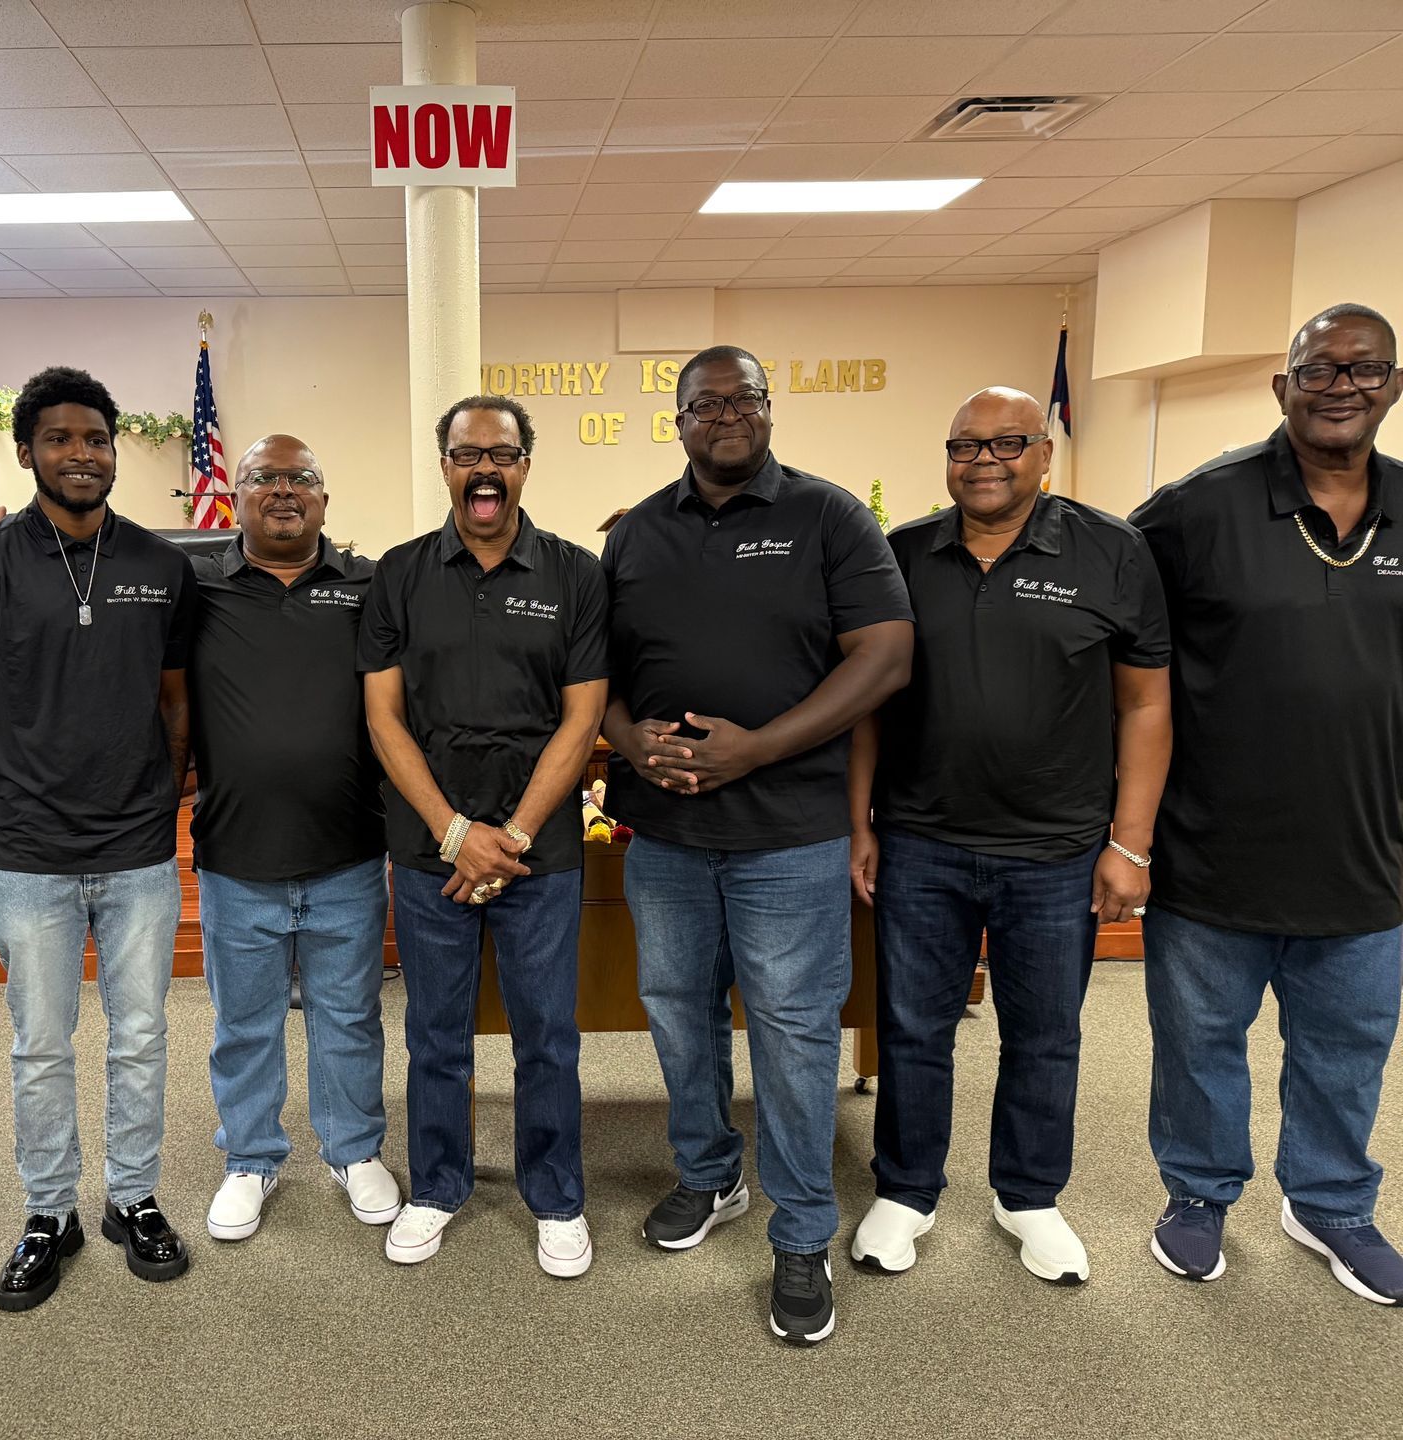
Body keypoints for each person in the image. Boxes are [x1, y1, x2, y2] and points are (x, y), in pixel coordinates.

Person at [600, 344, 912, 1345]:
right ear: (679, 420)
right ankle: (709, 1175)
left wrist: (755, 751)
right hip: (668, 838)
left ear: (768, 412)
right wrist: (628, 744)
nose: (723, 415)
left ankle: (803, 1230)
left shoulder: (828, 517)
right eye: (703, 404)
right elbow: (590, 674)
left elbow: (887, 654)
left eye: (741, 400)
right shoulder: (638, 533)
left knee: (792, 1029)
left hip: (790, 837)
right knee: (677, 1013)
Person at [846, 387, 1171, 1285]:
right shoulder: (900, 554)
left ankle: (1028, 1195)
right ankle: (906, 1190)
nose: (983, 460)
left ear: (1045, 455)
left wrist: (1130, 843)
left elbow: (1145, 702)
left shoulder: (1111, 551)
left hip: (1058, 851)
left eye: (1007, 443)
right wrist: (858, 823)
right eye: (964, 445)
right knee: (913, 1029)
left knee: (1045, 1032)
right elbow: (869, 702)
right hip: (920, 842)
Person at [1132, 303, 1403, 1304]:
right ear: (1282, 386)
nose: (1341, 386)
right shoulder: (1195, 510)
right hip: (1214, 852)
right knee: (1201, 1050)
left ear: (1394, 386)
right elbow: (1122, 661)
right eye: (1319, 369)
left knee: (1346, 1052)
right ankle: (1198, 1195)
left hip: (1369, 853)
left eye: (1364, 369)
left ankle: (1329, 1203)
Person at [0, 366, 197, 1312]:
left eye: (97, 439)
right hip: (29, 855)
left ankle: (134, 1197)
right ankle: (49, 1212)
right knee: (41, 1043)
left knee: (143, 1032)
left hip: (138, 852)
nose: (82, 455)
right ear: (27, 450)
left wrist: (161, 802)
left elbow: (174, 699)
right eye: (62, 439)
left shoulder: (161, 566)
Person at [360, 395, 608, 1277]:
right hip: (430, 848)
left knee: (547, 1032)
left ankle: (556, 1196)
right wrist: (456, 831)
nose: (484, 470)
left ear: (526, 467)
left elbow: (580, 724)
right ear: (444, 468)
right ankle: (435, 1187)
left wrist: (509, 836)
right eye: (466, 455)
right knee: (434, 1029)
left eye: (501, 454)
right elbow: (384, 719)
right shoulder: (399, 575)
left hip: (538, 851)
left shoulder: (576, 574)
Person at [188, 435, 401, 1242]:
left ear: (324, 497)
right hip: (236, 856)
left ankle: (353, 1151)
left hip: (348, 851)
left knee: (348, 1017)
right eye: (265, 478)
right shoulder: (196, 586)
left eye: (302, 478)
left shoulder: (372, 585)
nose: (284, 491)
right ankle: (250, 1156)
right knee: (244, 1020)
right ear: (236, 494)